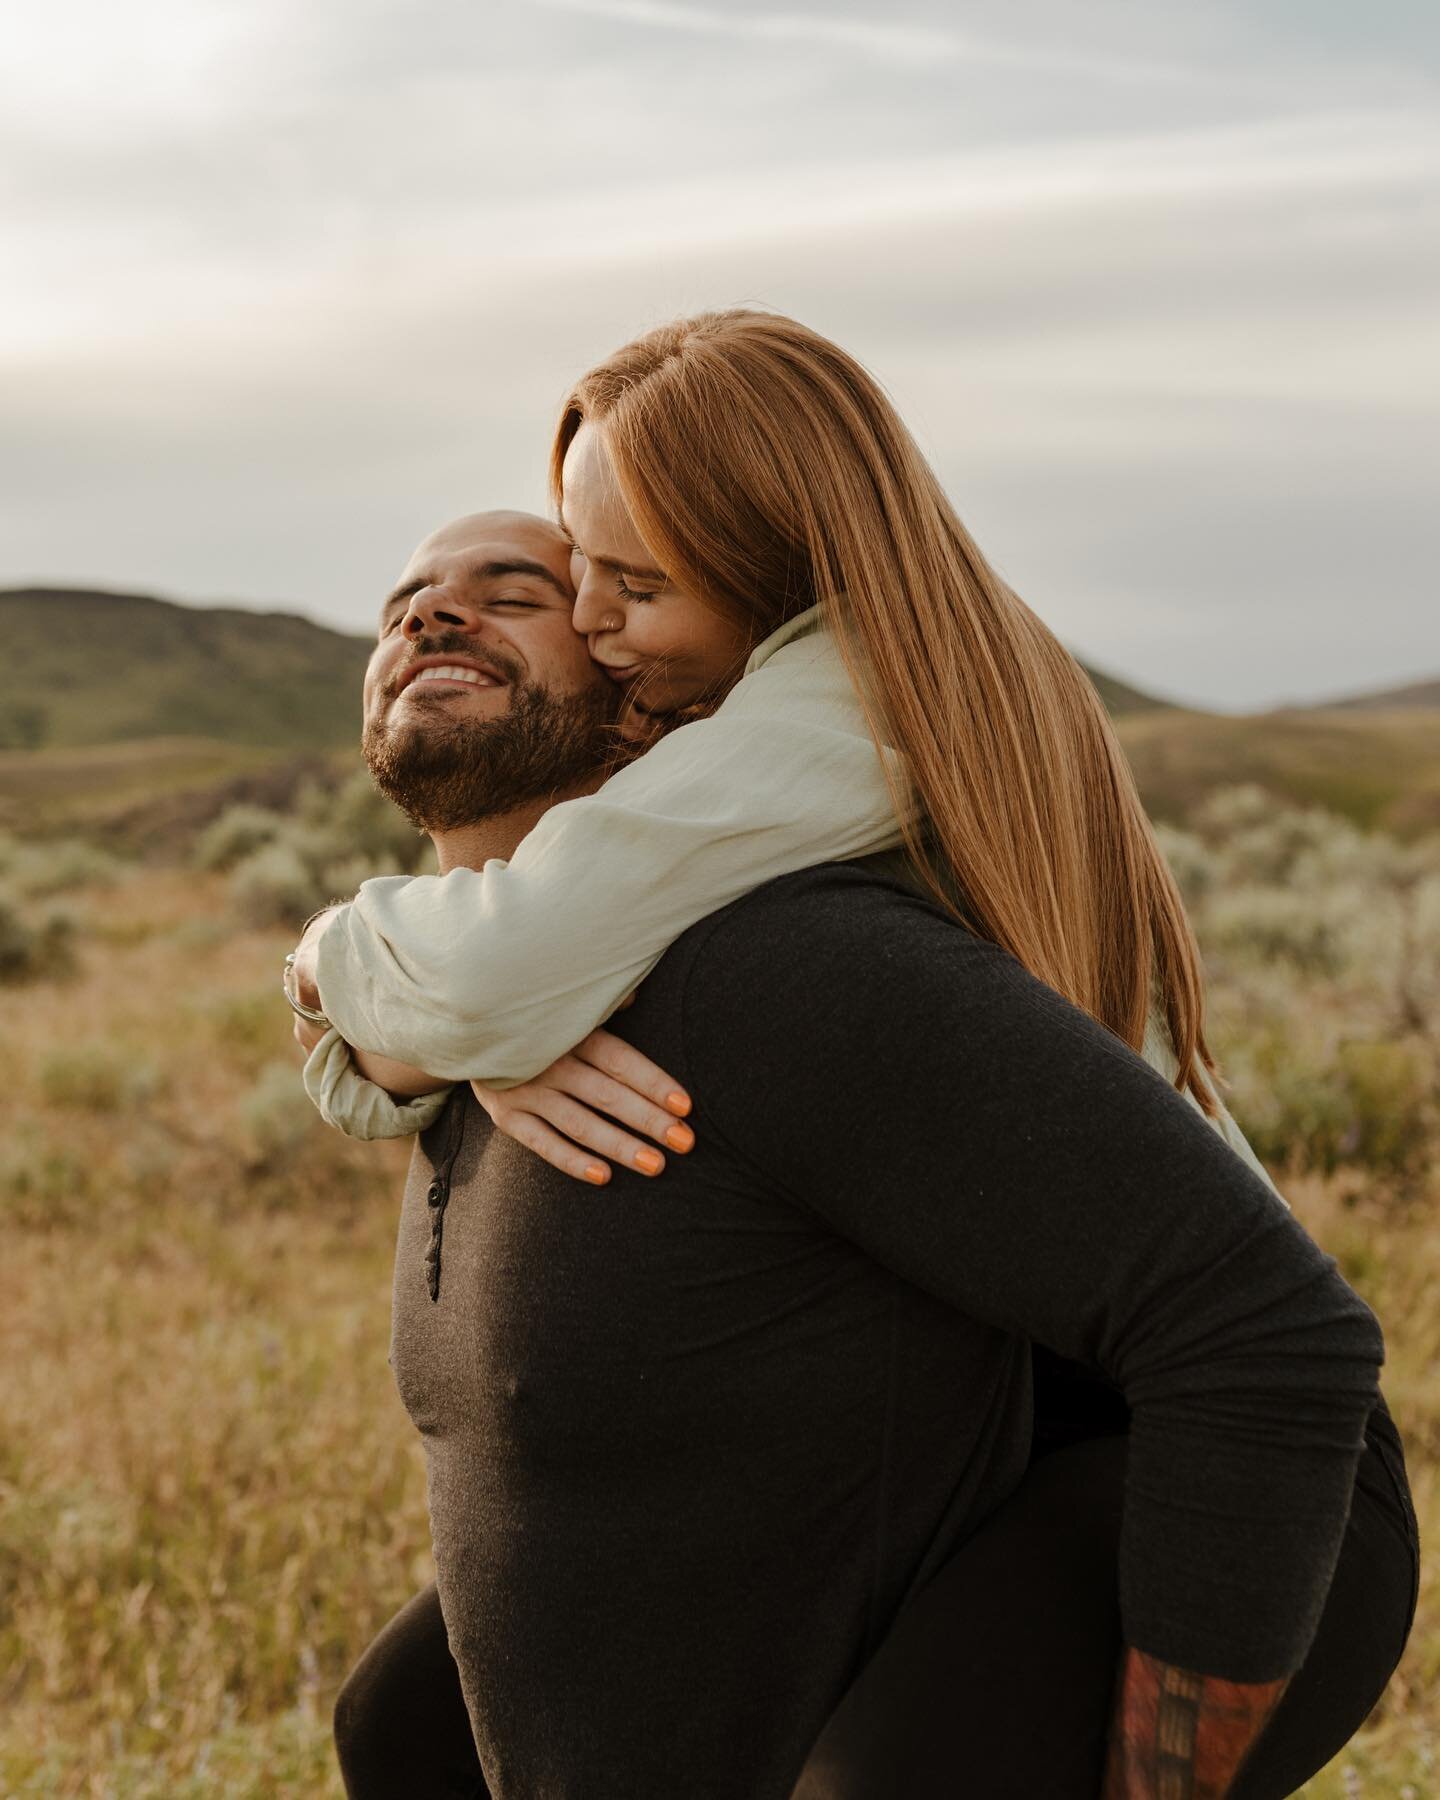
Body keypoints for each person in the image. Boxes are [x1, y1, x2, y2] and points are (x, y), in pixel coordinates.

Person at [299, 487, 1417, 1796]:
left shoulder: (783, 967)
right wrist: (381, 1002)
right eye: (404, 605)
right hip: (829, 1527)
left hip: (1199, 1487)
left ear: (642, 694)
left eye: (514, 593)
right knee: (402, 1730)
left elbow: (1269, 1338)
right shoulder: (462, 1007)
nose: (433, 608)